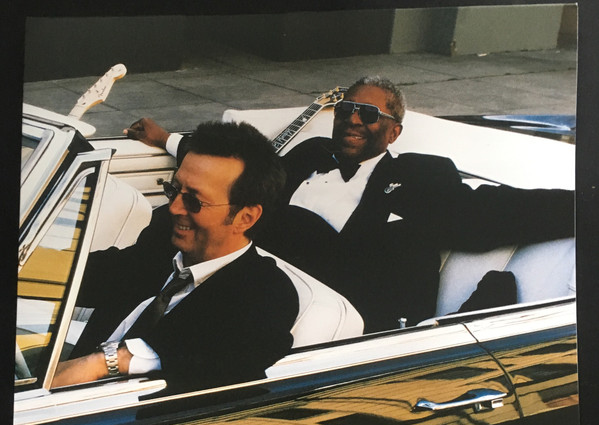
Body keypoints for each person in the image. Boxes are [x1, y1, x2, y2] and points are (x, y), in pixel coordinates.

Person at [124, 76, 574, 333]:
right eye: (345, 109)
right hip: (241, 279)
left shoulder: (419, 176)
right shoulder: (310, 155)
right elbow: (242, 174)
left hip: (333, 313)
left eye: (369, 113)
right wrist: (168, 140)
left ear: (394, 132)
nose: (353, 119)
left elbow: (494, 212)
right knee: (170, 224)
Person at [53, 121, 299, 393]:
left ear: (245, 217)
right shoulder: (164, 241)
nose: (174, 208)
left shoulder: (268, 294)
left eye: (194, 201)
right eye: (173, 190)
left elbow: (221, 356)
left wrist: (106, 362)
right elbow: (97, 274)